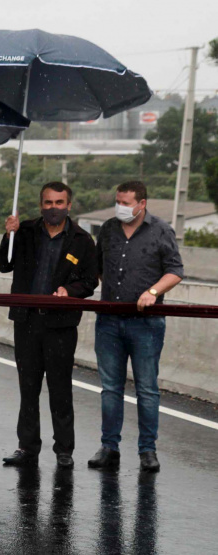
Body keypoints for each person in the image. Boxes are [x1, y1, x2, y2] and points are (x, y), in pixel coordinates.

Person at [0, 182, 98, 469]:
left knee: (60, 387)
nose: (53, 208)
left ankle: (64, 449)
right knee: (28, 388)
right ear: (41, 204)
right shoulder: (25, 230)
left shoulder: (81, 239)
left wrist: (70, 290)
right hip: (26, 320)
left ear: (69, 205)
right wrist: (9, 234)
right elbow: (5, 265)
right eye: (48, 203)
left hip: (60, 324)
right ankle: (27, 447)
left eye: (59, 202)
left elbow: (91, 281)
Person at [89, 181, 184, 473]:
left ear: (142, 203)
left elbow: (175, 271)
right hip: (109, 321)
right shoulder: (107, 228)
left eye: (127, 202)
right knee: (110, 388)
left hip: (146, 324)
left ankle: (147, 450)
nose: (121, 207)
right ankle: (109, 447)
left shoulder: (161, 230)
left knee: (146, 388)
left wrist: (152, 292)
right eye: (118, 201)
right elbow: (98, 266)